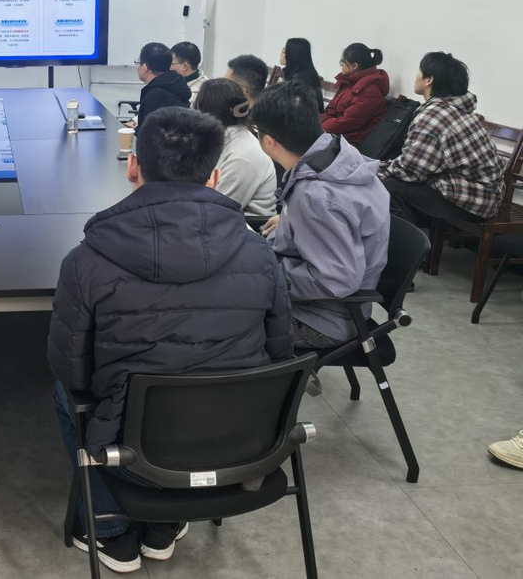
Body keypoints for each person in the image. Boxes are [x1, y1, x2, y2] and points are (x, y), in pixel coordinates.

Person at [48, 106, 293, 573]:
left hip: (133, 455)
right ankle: (163, 526)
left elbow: (72, 371)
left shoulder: (85, 260)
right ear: (214, 176)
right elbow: (281, 352)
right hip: (243, 443)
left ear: (133, 166)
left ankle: (110, 530)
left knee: (66, 395)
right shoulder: (261, 253)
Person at [252, 81, 389, 352]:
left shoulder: (315, 197)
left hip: (321, 320)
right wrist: (290, 221)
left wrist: (265, 276)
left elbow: (337, 279)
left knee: (217, 322)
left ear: (269, 142)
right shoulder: (336, 155)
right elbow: (344, 217)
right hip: (335, 306)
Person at [379, 53, 504, 226]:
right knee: (392, 182)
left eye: (419, 71)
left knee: (390, 188)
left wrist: (372, 173)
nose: (416, 76)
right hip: (482, 195)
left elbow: (411, 169)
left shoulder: (435, 115)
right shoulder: (454, 109)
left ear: (429, 80)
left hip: (474, 202)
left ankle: (409, 242)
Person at [194, 79, 276, 217]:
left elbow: (217, 210)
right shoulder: (224, 137)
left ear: (206, 113)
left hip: (246, 224)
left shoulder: (243, 156)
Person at [320, 43, 389, 147]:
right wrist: (316, 124)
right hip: (336, 133)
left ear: (354, 66)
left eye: (343, 61)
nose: (341, 65)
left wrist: (319, 127)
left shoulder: (370, 91)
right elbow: (331, 109)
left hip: (352, 142)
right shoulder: (348, 82)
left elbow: (347, 123)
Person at [133, 42, 190, 130]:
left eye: (138, 63)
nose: (137, 67)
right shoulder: (175, 84)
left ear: (144, 68)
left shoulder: (155, 96)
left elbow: (148, 133)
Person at [279, 37, 324, 112]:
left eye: (284, 51)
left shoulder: (299, 80)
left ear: (292, 55)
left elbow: (292, 109)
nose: (281, 54)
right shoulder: (306, 73)